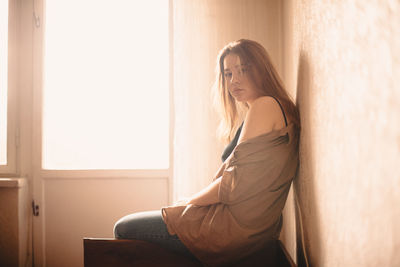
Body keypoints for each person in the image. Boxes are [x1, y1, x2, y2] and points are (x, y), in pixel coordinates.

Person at [113, 39, 300, 266]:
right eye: (228, 73)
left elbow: (233, 183)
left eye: (243, 70)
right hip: (250, 226)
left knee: (123, 228)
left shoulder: (265, 106)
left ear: (261, 69)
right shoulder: (276, 106)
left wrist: (190, 203)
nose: (234, 81)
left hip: (232, 228)